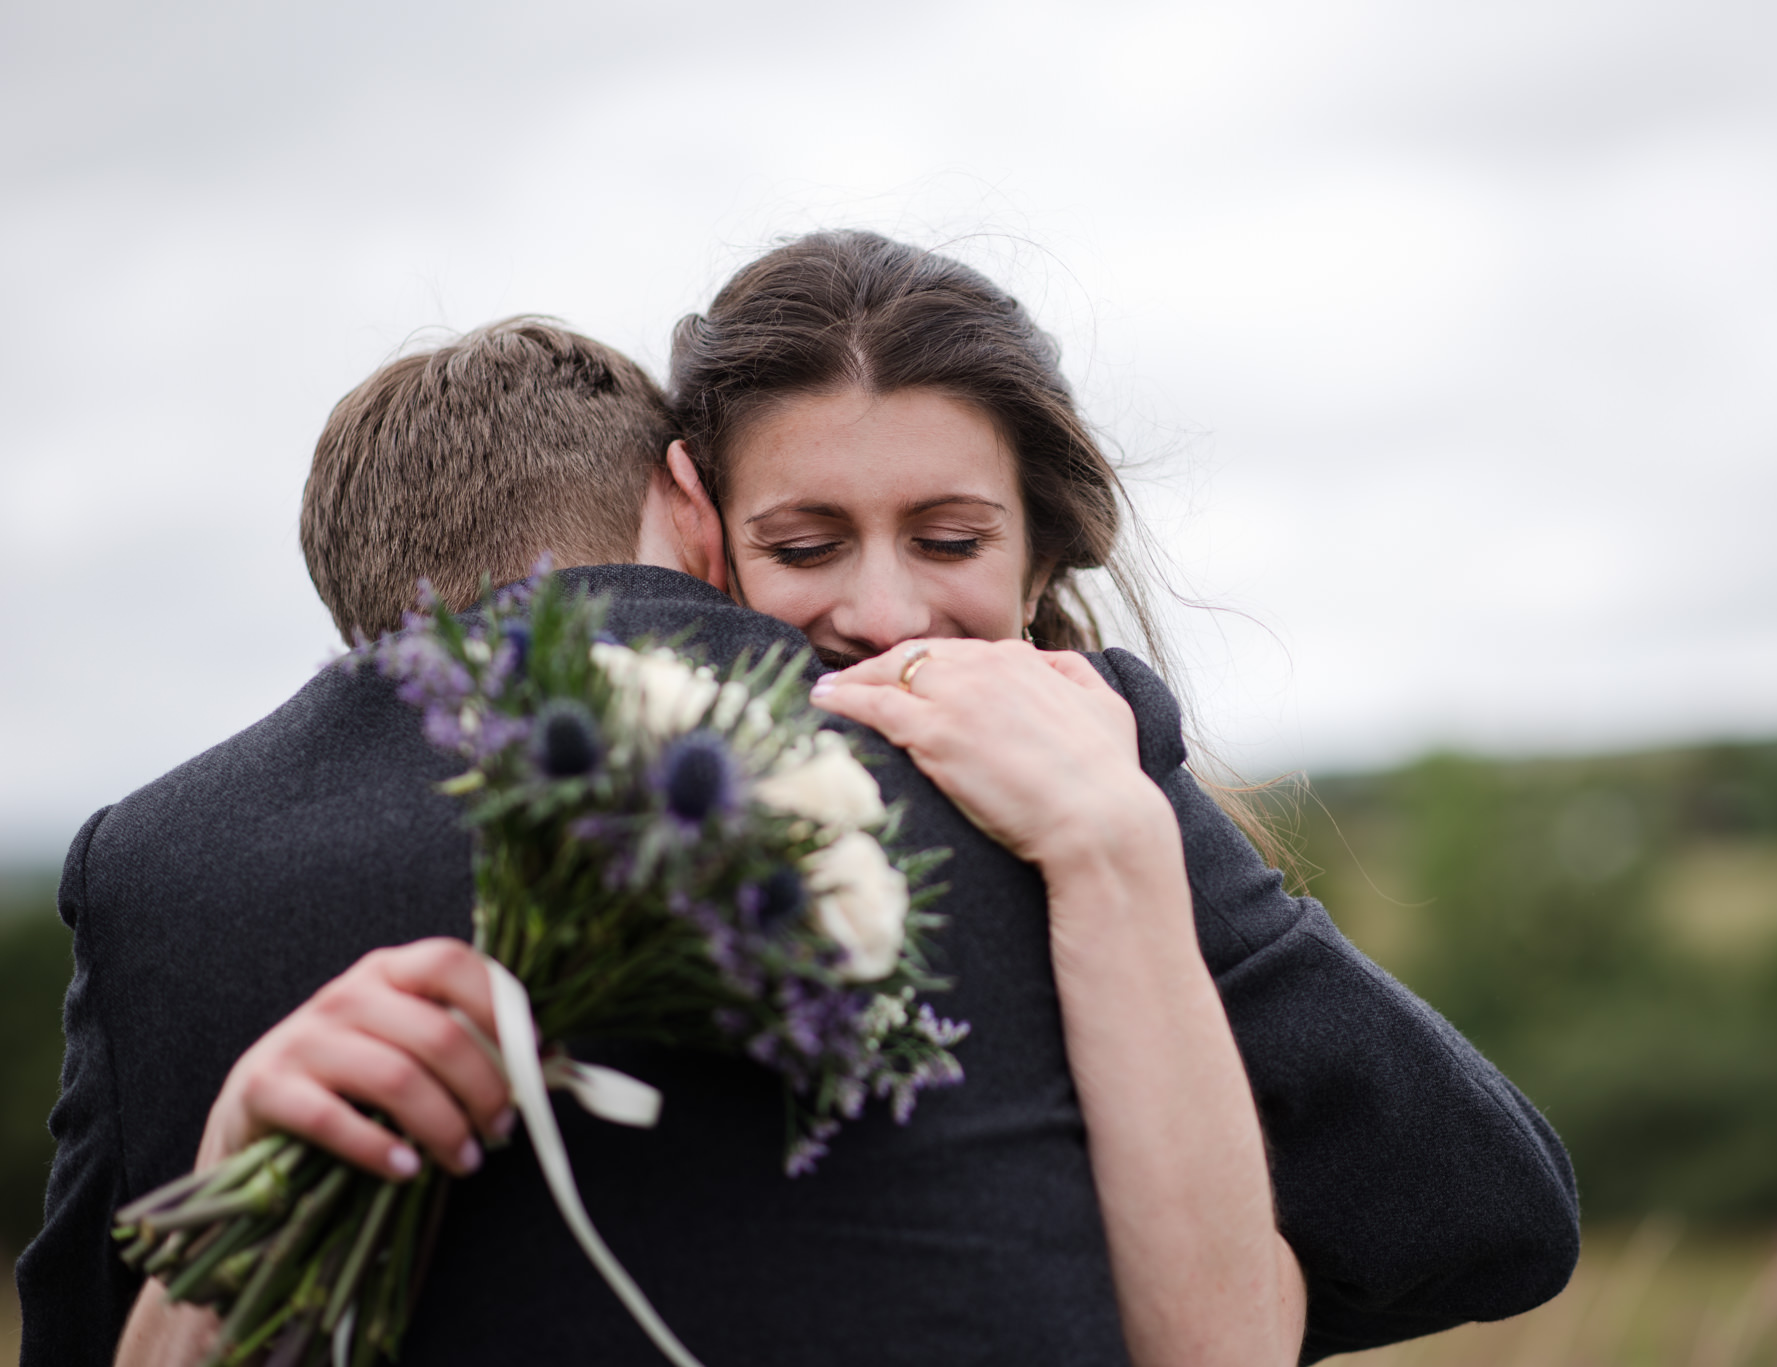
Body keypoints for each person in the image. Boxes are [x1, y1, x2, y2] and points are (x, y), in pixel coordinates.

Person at [23, 304, 1571, 1367]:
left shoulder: (150, 861)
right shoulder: (1019, 752)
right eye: (807, 542)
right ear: (693, 506)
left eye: (948, 540)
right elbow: (1475, 1210)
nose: (881, 621)